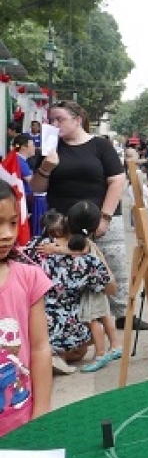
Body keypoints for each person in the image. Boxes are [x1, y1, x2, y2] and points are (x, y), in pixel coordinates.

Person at [29, 100, 143, 331]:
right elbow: (37, 187)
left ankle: (121, 314)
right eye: (51, 120)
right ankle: (77, 323)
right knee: (68, 268)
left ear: (77, 120)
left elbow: (117, 180)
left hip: (101, 216)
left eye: (59, 119)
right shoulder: (51, 148)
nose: (54, 124)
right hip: (62, 221)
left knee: (113, 267)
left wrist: (105, 217)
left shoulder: (100, 145)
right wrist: (46, 167)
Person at [26, 200, 113, 375]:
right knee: (92, 316)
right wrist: (98, 254)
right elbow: (111, 288)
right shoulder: (89, 260)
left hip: (35, 323)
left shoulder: (37, 246)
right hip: (70, 326)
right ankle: (60, 353)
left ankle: (51, 354)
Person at [0, 181, 52, 437]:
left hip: (20, 422)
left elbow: (40, 347)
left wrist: (41, 411)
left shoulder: (29, 277)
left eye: (12, 222)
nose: (7, 234)